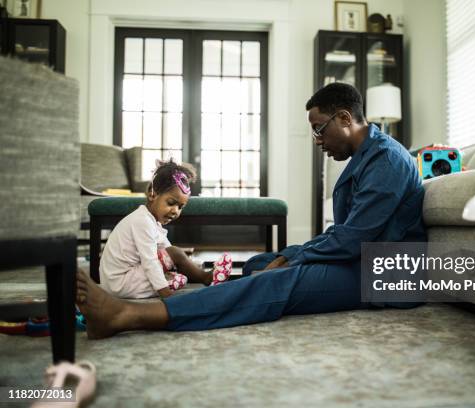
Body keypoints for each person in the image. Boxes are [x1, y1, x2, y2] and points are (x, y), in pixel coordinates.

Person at [76, 83, 425, 339]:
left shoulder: (387, 160)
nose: (318, 140)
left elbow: (352, 238)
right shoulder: (366, 156)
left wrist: (293, 261)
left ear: (345, 118)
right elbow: (348, 234)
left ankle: (127, 315)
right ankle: (233, 296)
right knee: (260, 264)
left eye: (319, 129)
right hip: (360, 257)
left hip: (386, 273)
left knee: (278, 277)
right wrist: (292, 255)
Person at [99, 159, 231, 299]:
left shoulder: (151, 221)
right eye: (171, 203)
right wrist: (165, 293)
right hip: (120, 283)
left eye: (180, 207)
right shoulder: (142, 221)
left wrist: (185, 263)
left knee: (175, 258)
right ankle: (206, 277)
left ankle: (192, 276)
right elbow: (151, 261)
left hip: (121, 281)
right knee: (174, 254)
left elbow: (166, 248)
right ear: (152, 194)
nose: (175, 211)